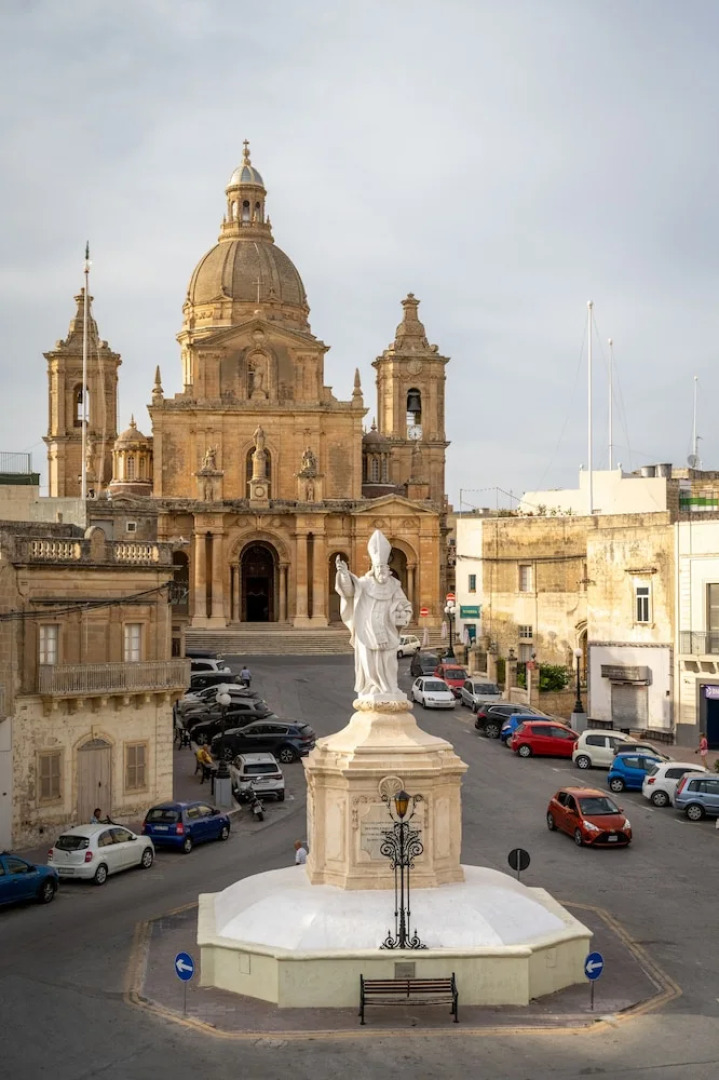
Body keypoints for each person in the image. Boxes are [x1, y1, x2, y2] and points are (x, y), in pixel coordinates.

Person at [335, 529, 413, 699]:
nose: (381, 572)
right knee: (369, 662)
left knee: (389, 662)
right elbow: (348, 591)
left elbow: (405, 604)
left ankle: (390, 687)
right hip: (367, 629)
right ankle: (372, 687)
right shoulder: (364, 583)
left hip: (387, 629)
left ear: (388, 568)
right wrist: (343, 574)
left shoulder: (394, 585)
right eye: (378, 568)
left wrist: (404, 615)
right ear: (373, 568)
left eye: (384, 568)